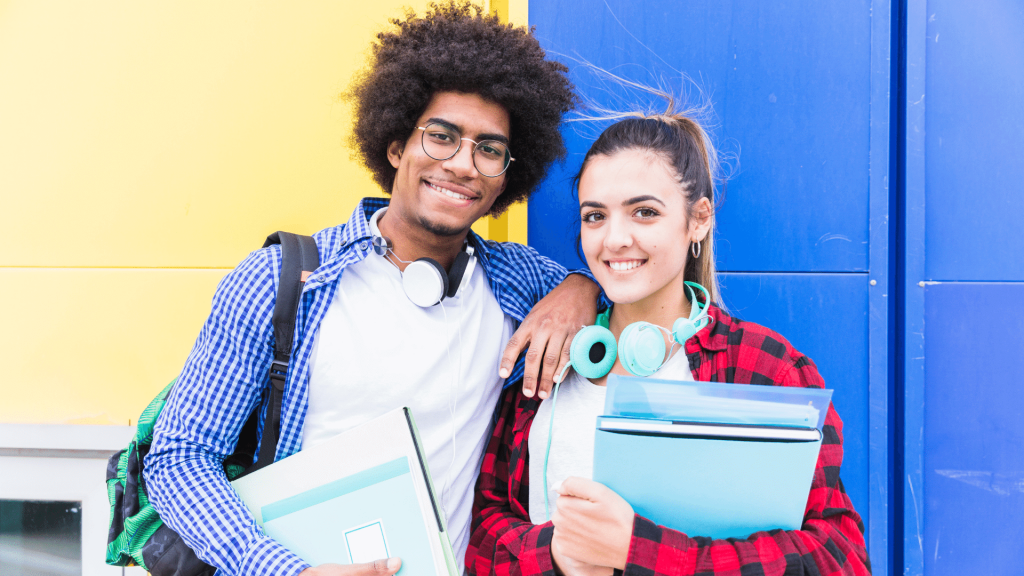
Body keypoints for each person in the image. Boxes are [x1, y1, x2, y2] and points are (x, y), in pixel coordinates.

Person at [144, 3, 601, 575]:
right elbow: (178, 458)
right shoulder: (280, 281)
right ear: (394, 146)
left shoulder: (518, 283)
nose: (463, 164)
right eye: (441, 136)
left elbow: (622, 289)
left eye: (489, 149)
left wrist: (580, 288)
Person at [466, 107, 871, 575]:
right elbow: (484, 534)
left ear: (698, 220)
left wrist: (636, 551)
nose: (615, 239)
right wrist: (555, 553)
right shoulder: (549, 361)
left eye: (644, 212)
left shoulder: (767, 369)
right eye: (595, 216)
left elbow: (839, 558)